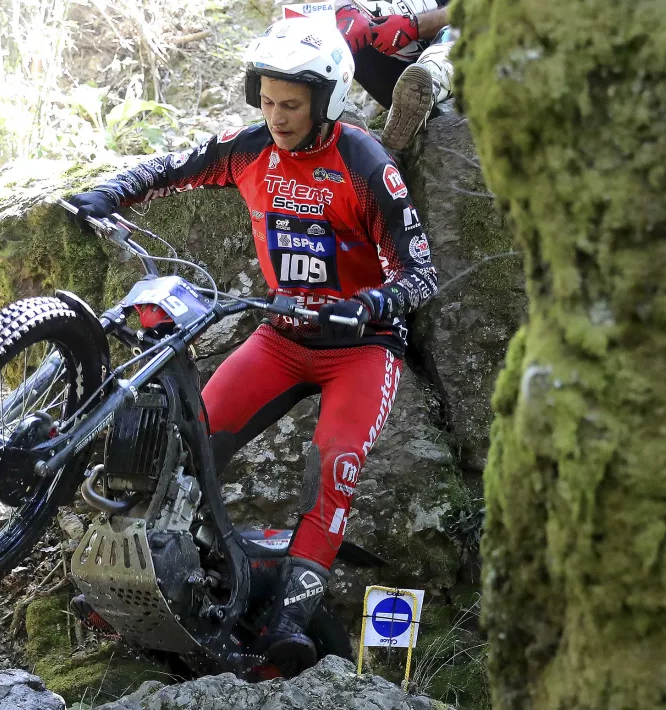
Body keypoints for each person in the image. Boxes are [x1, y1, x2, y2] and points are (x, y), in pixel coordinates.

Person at [66, 17, 438, 677]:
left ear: (327, 102)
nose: (276, 116)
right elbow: (170, 168)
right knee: (188, 445)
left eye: (291, 105)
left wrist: (370, 304)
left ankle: (290, 621)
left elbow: (420, 273)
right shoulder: (248, 149)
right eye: (266, 101)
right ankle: (148, 582)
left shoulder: (365, 162)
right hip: (281, 335)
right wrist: (109, 193)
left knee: (333, 467)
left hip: (361, 345)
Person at [334, 0, 455, 151]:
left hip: (448, 39)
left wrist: (416, 25)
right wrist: (341, 10)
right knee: (325, 31)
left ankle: (428, 85)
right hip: (384, 64)